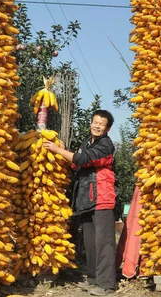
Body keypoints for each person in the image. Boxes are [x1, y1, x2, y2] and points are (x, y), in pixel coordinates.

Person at [43, 109, 117, 296]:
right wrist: (62, 152)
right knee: (91, 243)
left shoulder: (106, 145)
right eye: (95, 122)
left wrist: (58, 150)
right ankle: (94, 280)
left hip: (102, 198)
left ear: (107, 128)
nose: (97, 125)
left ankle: (107, 284)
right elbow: (76, 163)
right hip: (86, 198)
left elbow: (83, 159)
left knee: (104, 242)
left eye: (101, 123)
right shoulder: (87, 142)